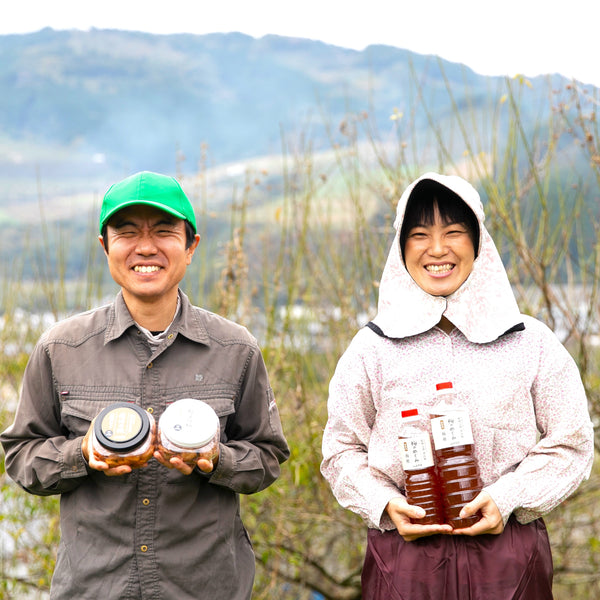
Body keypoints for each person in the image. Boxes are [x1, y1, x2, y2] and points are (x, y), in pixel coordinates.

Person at [0, 171, 290, 600]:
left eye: (164, 231)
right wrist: (83, 454)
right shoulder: (61, 348)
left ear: (191, 246)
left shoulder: (236, 348)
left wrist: (216, 459)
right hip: (94, 588)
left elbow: (268, 456)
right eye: (127, 232)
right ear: (105, 247)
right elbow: (22, 456)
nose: (146, 246)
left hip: (206, 588)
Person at [320, 172, 594, 599]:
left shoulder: (528, 339)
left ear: (478, 243)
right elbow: (341, 450)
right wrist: (385, 504)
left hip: (508, 556)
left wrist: (508, 497)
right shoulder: (371, 348)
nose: (437, 249)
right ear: (401, 247)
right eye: (419, 234)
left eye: (453, 232)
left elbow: (571, 443)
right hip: (405, 561)